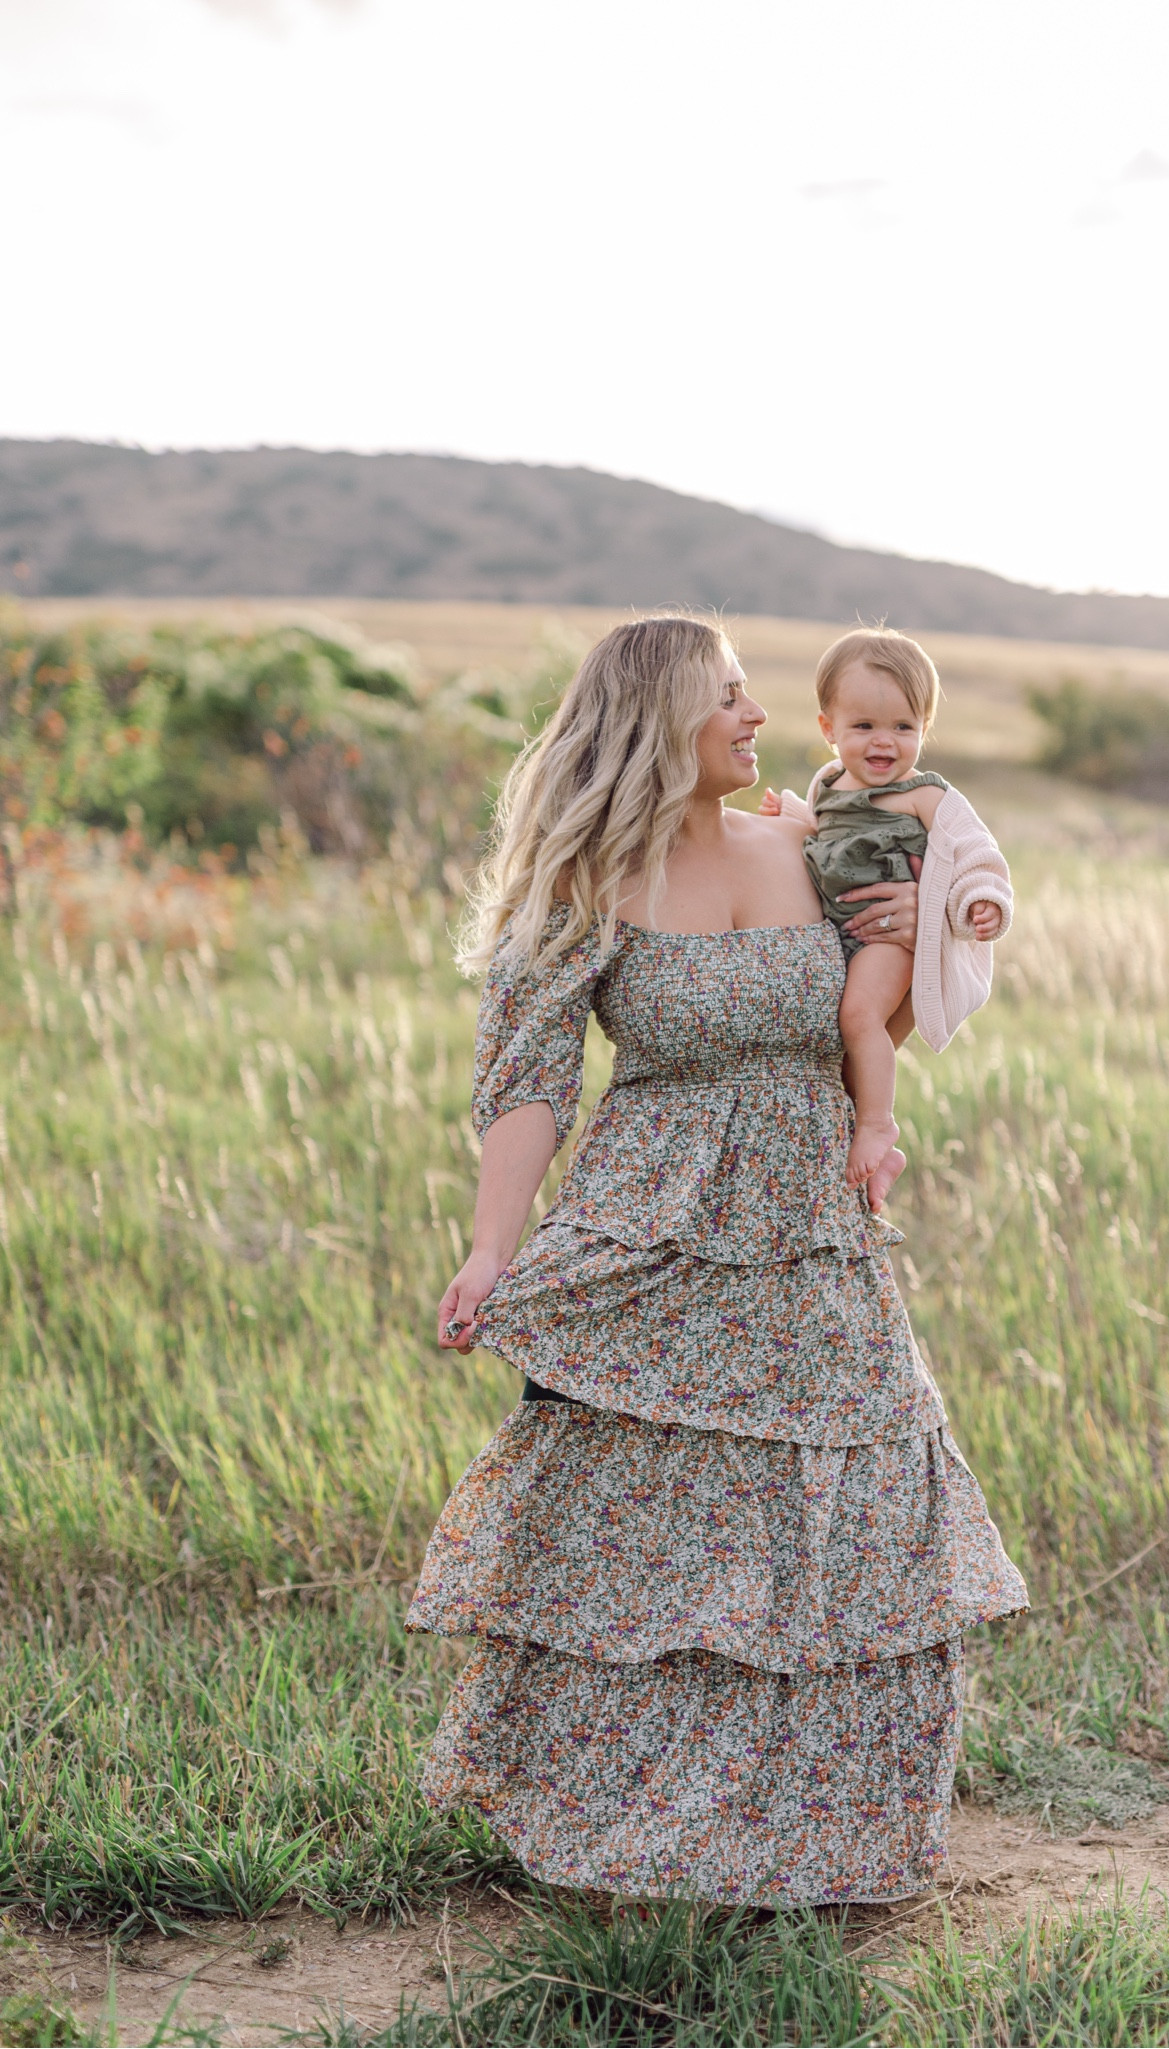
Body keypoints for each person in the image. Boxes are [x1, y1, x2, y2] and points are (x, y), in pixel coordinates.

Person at [408, 614, 1027, 1905]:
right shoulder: (579, 882)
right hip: (648, 1230)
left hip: (806, 1229)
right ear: (657, 721)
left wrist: (927, 941)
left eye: (754, 697)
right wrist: (487, 1252)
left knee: (845, 1513)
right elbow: (527, 1085)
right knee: (620, 1527)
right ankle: (608, 1828)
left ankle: (823, 1837)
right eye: (730, 698)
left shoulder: (814, 840)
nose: (759, 719)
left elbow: (884, 1014)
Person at [761, 628, 1014, 1210]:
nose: (884, 742)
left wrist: (979, 901)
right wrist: (793, 815)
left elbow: (977, 854)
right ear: (829, 729)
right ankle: (875, 1158)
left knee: (859, 1017)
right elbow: (826, 841)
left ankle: (879, 1126)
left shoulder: (925, 797)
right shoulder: (826, 786)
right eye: (865, 726)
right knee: (838, 1052)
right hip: (839, 934)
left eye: (903, 726)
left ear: (925, 728)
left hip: (890, 940)